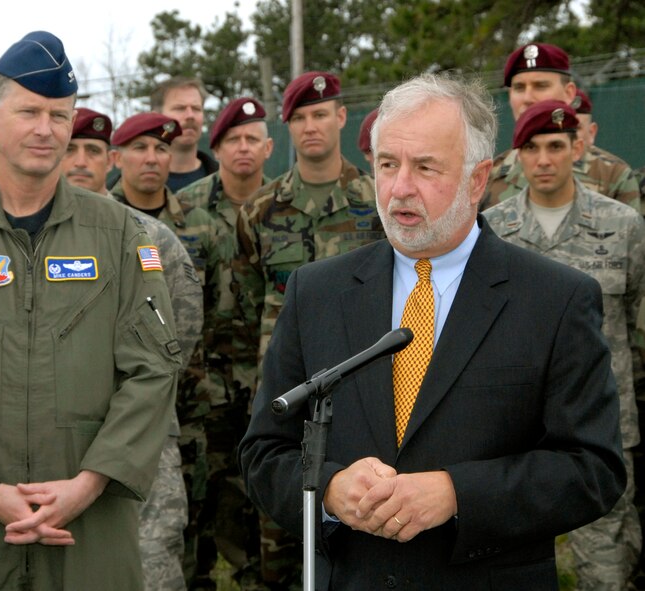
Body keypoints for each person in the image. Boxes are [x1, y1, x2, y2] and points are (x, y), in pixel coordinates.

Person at [239, 72, 626, 590]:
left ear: (477, 178)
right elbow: (264, 452)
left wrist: (457, 493)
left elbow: (592, 469)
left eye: (425, 167)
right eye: (387, 165)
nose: (400, 187)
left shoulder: (555, 299)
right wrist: (329, 490)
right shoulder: (317, 292)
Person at [0, 31, 181, 591]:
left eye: (59, 115)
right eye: (29, 112)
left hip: (88, 523)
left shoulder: (118, 234)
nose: (46, 130)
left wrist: (88, 485)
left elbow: (152, 369)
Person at [483, 99, 645, 590]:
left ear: (578, 147)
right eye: (531, 148)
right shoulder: (492, 231)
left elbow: (636, 321)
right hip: (514, 427)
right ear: (518, 155)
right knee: (511, 559)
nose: (545, 159)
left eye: (556, 145)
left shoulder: (623, 226)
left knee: (607, 559)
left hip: (603, 421)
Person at [232, 71, 384, 589]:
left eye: (321, 114)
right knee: (279, 527)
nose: (312, 126)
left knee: (362, 518)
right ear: (288, 126)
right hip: (285, 390)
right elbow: (250, 303)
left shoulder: (376, 200)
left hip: (365, 384)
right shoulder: (258, 212)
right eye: (300, 117)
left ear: (342, 117)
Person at [61, 107, 203, 591]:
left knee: (149, 564)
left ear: (110, 160)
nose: (81, 162)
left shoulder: (150, 238)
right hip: (50, 432)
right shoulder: (24, 239)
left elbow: (181, 330)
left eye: (93, 151)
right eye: (70, 149)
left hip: (142, 433)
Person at [109, 111, 221, 589]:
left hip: (169, 404)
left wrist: (161, 375)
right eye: (140, 148)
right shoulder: (89, 227)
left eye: (161, 148)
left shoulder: (186, 229)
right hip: (89, 414)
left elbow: (194, 315)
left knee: (166, 540)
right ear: (119, 159)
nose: (152, 158)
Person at [176, 97, 275, 589]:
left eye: (252, 138)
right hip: (203, 387)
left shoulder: (283, 206)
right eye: (233, 139)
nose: (243, 148)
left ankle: (257, 575)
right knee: (200, 493)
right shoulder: (185, 209)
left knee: (258, 491)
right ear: (216, 148)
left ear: (268, 148)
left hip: (271, 380)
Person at [481, 42, 641, 213]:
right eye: (519, 88)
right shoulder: (490, 176)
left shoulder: (612, 175)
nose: (527, 98)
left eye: (541, 86)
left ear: (569, 93)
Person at [151, 77, 219, 192]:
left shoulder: (224, 182)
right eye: (180, 108)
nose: (190, 116)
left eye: (196, 108)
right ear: (155, 117)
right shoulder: (131, 186)